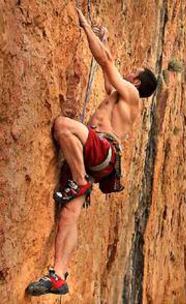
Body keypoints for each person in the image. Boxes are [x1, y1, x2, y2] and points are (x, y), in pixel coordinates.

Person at [26, 8, 157, 296]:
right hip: (98, 158)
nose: (129, 70)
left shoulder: (132, 95)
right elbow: (109, 75)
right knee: (69, 213)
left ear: (137, 82)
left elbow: (106, 61)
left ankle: (80, 179)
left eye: (133, 71)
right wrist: (105, 38)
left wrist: (85, 26)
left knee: (62, 126)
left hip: (102, 149)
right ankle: (58, 276)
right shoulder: (121, 94)